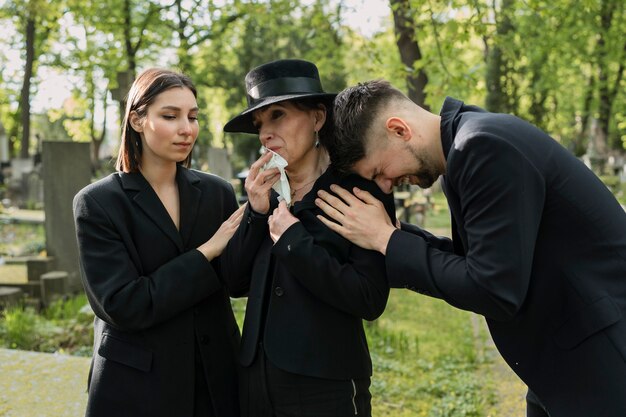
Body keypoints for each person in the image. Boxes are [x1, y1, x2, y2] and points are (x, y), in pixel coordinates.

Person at [315, 79, 626, 417]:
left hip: (603, 362)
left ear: (399, 130)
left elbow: (493, 288)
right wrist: (394, 235)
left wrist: (386, 240)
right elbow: (482, 261)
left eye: (378, 172)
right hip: (565, 364)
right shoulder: (464, 149)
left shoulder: (482, 147)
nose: (386, 185)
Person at [221, 59, 396, 417]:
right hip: (255, 382)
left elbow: (369, 298)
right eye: (259, 124)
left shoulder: (359, 189)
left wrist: (293, 239)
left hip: (325, 384)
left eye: (278, 115)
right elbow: (234, 282)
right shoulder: (265, 194)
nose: (265, 133)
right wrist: (255, 213)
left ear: (317, 119)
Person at [73, 68, 244, 417]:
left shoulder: (217, 193)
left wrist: (260, 211)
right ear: (137, 119)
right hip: (137, 386)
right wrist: (207, 251)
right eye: (170, 116)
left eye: (193, 117)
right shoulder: (98, 203)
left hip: (215, 381)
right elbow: (125, 304)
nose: (186, 128)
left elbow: (236, 281)